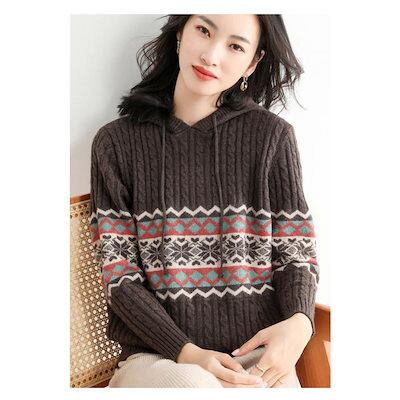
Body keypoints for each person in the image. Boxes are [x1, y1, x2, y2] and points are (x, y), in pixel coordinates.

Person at [89, 14, 320, 388]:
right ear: (180, 33)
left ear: (253, 61)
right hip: (158, 358)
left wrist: (300, 321)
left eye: (235, 46)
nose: (211, 55)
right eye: (203, 30)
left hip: (253, 354)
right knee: (196, 387)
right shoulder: (116, 144)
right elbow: (120, 276)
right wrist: (189, 352)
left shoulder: (272, 138)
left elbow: (296, 251)